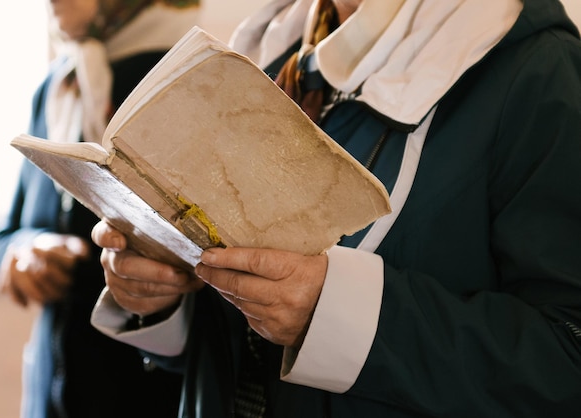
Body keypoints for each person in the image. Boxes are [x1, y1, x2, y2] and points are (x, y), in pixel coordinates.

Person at [89, 0, 581, 416]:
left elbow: (566, 360)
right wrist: (162, 288)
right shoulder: (267, 55)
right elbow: (243, 351)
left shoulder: (538, 71)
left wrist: (337, 314)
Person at [0, 0, 201, 417]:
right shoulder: (58, 86)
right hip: (51, 391)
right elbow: (6, 234)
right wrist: (22, 252)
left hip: (142, 392)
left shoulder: (185, 80)